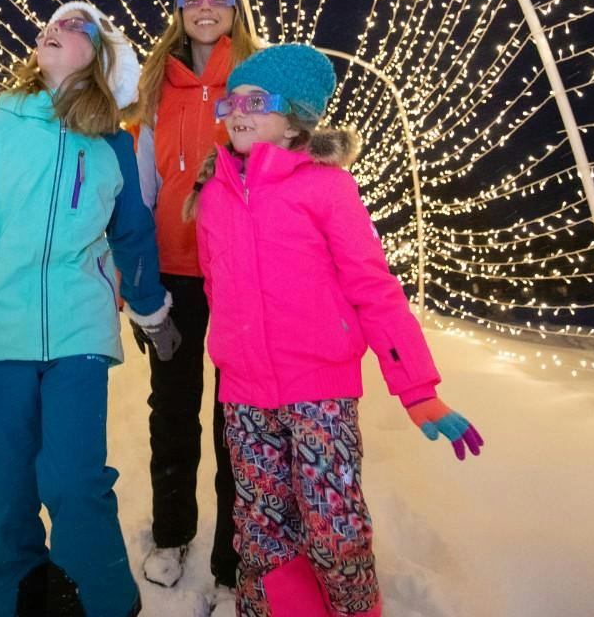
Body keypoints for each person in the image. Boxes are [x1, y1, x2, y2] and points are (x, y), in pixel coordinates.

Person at [187, 44, 483, 616]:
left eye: (258, 100)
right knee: (260, 531)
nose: (239, 111)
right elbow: (214, 284)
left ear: (296, 116)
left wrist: (418, 389)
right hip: (244, 394)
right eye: (232, 100)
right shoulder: (216, 193)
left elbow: (373, 289)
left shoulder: (326, 188)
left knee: (334, 529)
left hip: (318, 390)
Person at [0, 1, 183, 617]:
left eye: (74, 26)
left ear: (101, 59)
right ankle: (15, 599)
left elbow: (132, 234)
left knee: (73, 483)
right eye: (50, 24)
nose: (52, 29)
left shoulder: (113, 143)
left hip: (79, 334)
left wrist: (151, 311)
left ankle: (106, 600)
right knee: (3, 495)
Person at [130, 0, 260, 608]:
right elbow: (141, 188)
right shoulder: (157, 87)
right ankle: (173, 532)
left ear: (235, 10)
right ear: (179, 10)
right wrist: (140, 281)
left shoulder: (254, 78)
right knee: (172, 407)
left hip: (238, 272)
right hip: (174, 271)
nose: (205, 8)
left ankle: (235, 556)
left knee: (237, 414)